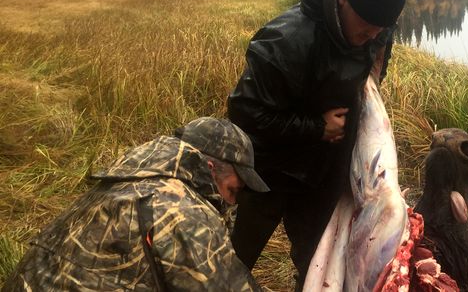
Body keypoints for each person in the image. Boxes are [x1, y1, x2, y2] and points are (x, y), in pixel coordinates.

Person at [227, 0, 417, 287]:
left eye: (380, 31)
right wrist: (317, 127)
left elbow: (373, 45)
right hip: (268, 170)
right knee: (236, 260)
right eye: (366, 28)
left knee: (317, 261)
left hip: (323, 174)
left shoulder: (374, 23)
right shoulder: (285, 41)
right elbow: (244, 112)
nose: (370, 38)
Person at [2, 117, 268, 292]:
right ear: (210, 169)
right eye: (235, 190)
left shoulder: (121, 182)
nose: (233, 202)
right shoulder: (181, 209)